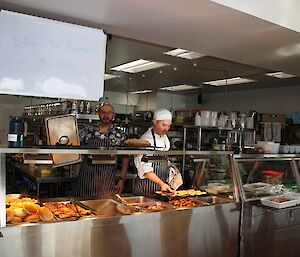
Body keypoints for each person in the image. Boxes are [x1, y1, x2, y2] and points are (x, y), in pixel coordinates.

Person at [75, 102, 129, 198]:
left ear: (113, 115)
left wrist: (122, 179)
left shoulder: (120, 135)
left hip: (107, 181)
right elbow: (74, 146)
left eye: (109, 113)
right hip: (86, 179)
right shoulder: (87, 130)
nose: (106, 115)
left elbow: (125, 158)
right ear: (98, 114)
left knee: (105, 209)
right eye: (103, 112)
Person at [134, 108, 174, 195]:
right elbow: (144, 169)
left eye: (169, 126)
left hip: (161, 186)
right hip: (146, 187)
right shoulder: (145, 140)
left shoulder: (165, 139)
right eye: (163, 125)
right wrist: (161, 183)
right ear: (155, 122)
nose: (166, 129)